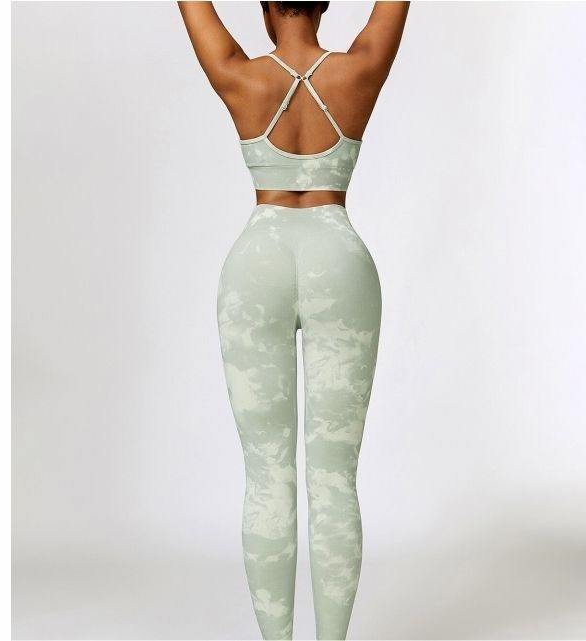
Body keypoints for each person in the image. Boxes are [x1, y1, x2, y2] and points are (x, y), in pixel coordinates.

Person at [178, 2, 409, 639]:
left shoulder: (240, 75)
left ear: (263, 6)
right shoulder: (358, 71)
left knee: (266, 472)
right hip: (340, 259)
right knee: (335, 474)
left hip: (258, 263)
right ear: (327, 3)